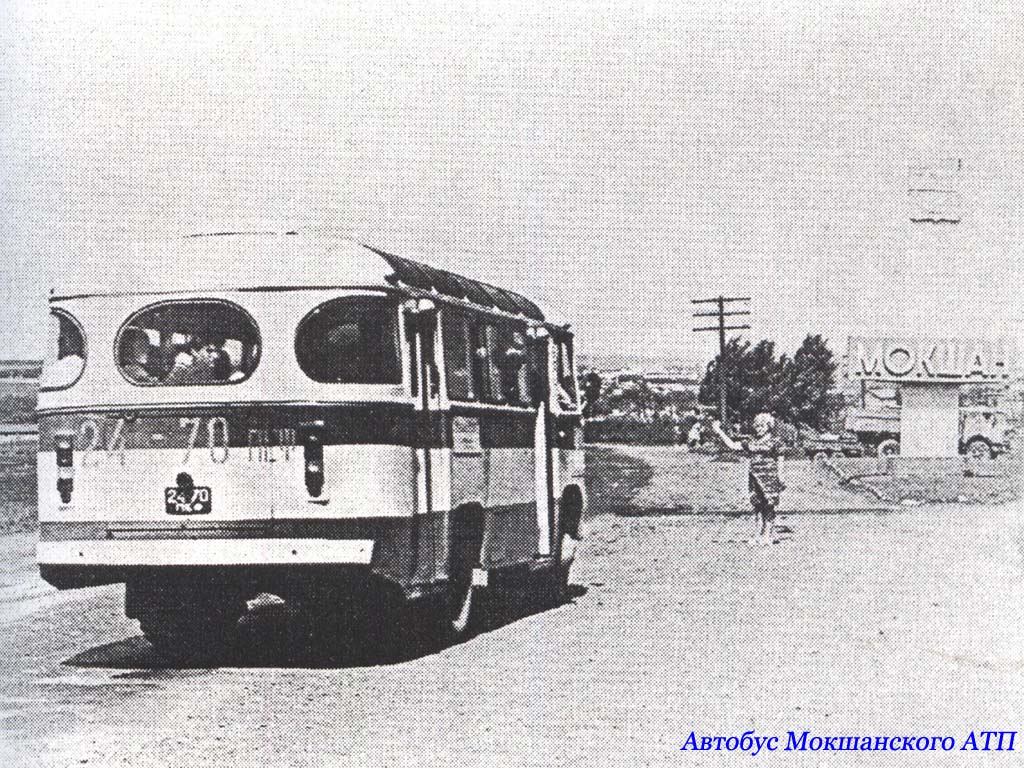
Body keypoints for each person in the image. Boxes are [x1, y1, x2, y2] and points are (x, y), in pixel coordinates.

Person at [712, 413, 785, 543]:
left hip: (769, 478)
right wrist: (719, 432)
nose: (759, 428)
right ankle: (757, 535)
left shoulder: (775, 441)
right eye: (757, 426)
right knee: (757, 506)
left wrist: (780, 475)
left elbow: (780, 458)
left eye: (762, 426)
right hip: (754, 478)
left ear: (768, 426)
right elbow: (733, 446)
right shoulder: (751, 441)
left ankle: (767, 536)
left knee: (769, 506)